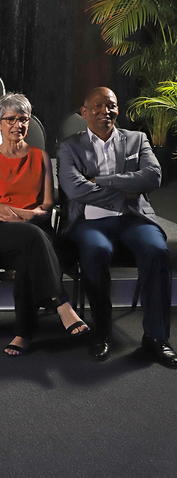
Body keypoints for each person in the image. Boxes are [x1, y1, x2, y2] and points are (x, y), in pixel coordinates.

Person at [58, 87, 175, 367]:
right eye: (96, 106)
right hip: (90, 222)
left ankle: (156, 338)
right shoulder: (69, 146)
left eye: (110, 105)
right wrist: (127, 186)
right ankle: (102, 332)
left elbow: (153, 177)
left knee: (157, 250)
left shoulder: (137, 140)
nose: (104, 111)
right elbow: (75, 190)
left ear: (118, 110)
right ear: (84, 112)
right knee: (95, 251)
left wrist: (102, 181)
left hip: (134, 218)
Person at [0, 93, 88, 356]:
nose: (18, 125)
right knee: (32, 236)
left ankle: (23, 333)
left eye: (23, 119)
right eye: (11, 119)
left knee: (30, 247)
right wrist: (27, 214)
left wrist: (20, 215)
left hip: (37, 232)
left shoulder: (40, 157)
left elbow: (48, 204)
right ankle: (61, 304)